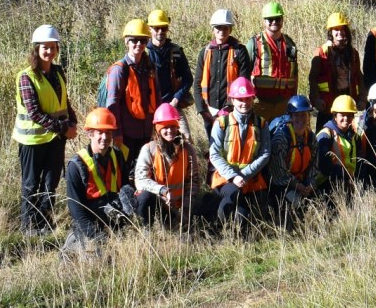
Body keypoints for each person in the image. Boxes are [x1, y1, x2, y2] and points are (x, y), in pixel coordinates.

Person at [15, 24, 78, 235]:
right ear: (36, 48)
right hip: (33, 141)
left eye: (53, 47)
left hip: (56, 139)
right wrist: (64, 129)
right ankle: (28, 227)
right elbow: (34, 113)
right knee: (31, 184)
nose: (49, 51)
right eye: (45, 47)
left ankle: (44, 222)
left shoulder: (58, 72)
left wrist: (73, 121)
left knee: (50, 183)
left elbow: (64, 101)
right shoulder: (26, 77)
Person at [64, 108, 134, 253]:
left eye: (108, 132)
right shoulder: (76, 165)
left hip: (113, 216)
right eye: (100, 132)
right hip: (88, 221)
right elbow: (76, 209)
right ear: (90, 134)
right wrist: (96, 236)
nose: (105, 137)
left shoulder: (117, 155)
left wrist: (128, 208)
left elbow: (125, 186)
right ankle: (72, 246)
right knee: (97, 256)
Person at [206, 77, 270, 226]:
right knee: (232, 197)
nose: (244, 103)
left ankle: (232, 226)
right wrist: (233, 176)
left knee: (244, 219)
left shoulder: (261, 124)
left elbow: (265, 154)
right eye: (240, 99)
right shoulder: (221, 123)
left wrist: (244, 174)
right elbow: (214, 154)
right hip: (225, 179)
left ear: (253, 99)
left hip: (250, 180)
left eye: (248, 98)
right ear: (232, 100)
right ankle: (216, 224)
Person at [104, 18, 160, 179]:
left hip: (147, 133)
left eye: (143, 40)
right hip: (126, 135)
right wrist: (117, 133)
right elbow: (112, 105)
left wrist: (158, 128)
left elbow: (158, 98)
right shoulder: (119, 70)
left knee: (145, 173)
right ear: (126, 42)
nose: (139, 44)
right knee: (125, 175)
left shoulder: (149, 67)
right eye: (134, 40)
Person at [133, 102, 201, 231]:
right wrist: (163, 191)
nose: (170, 131)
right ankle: (147, 231)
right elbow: (140, 180)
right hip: (158, 204)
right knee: (144, 196)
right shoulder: (148, 149)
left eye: (173, 126)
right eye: (165, 127)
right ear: (157, 129)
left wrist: (185, 212)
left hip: (180, 207)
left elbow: (193, 182)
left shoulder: (188, 150)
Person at [194, 8, 252, 143]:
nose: (222, 31)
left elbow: (243, 83)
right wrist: (203, 111)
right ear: (213, 29)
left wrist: (228, 108)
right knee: (214, 148)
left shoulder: (240, 51)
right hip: (209, 112)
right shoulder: (205, 52)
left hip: (233, 111)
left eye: (225, 27)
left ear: (230, 29)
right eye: (218, 27)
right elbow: (197, 84)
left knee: (232, 146)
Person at [266, 95, 316, 225]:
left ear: (309, 117)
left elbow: (314, 165)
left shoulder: (311, 137)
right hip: (282, 185)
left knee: (316, 202)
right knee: (297, 203)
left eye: (304, 115)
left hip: (302, 183)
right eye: (296, 115)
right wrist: (297, 186)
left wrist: (309, 184)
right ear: (290, 117)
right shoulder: (281, 138)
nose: (300, 119)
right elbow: (278, 173)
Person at [308, 12, 363, 126]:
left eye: (342, 29)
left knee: (347, 132)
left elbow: (359, 76)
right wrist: (316, 99)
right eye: (336, 29)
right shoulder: (322, 52)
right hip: (327, 105)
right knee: (324, 134)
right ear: (331, 33)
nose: (340, 32)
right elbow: (313, 78)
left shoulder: (353, 54)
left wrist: (362, 98)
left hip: (347, 101)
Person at [248, 1, 299, 124]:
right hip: (261, 104)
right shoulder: (254, 43)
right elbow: (243, 73)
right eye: (270, 19)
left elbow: (294, 74)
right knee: (259, 134)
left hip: (284, 104)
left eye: (277, 19)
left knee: (282, 134)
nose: (274, 22)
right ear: (264, 21)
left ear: (282, 20)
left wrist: (294, 98)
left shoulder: (290, 44)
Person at [145, 9, 194, 133]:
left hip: (172, 105)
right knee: (152, 141)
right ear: (149, 28)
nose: (160, 31)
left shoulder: (176, 51)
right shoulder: (143, 53)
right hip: (150, 108)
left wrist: (176, 99)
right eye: (156, 28)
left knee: (186, 139)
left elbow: (188, 78)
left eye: (164, 28)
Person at [314, 94, 367, 202]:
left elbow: (358, 161)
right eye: (342, 115)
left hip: (347, 183)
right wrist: (345, 175)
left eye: (350, 115)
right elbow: (323, 166)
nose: (346, 119)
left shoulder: (354, 136)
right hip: (326, 186)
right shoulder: (325, 135)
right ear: (335, 116)